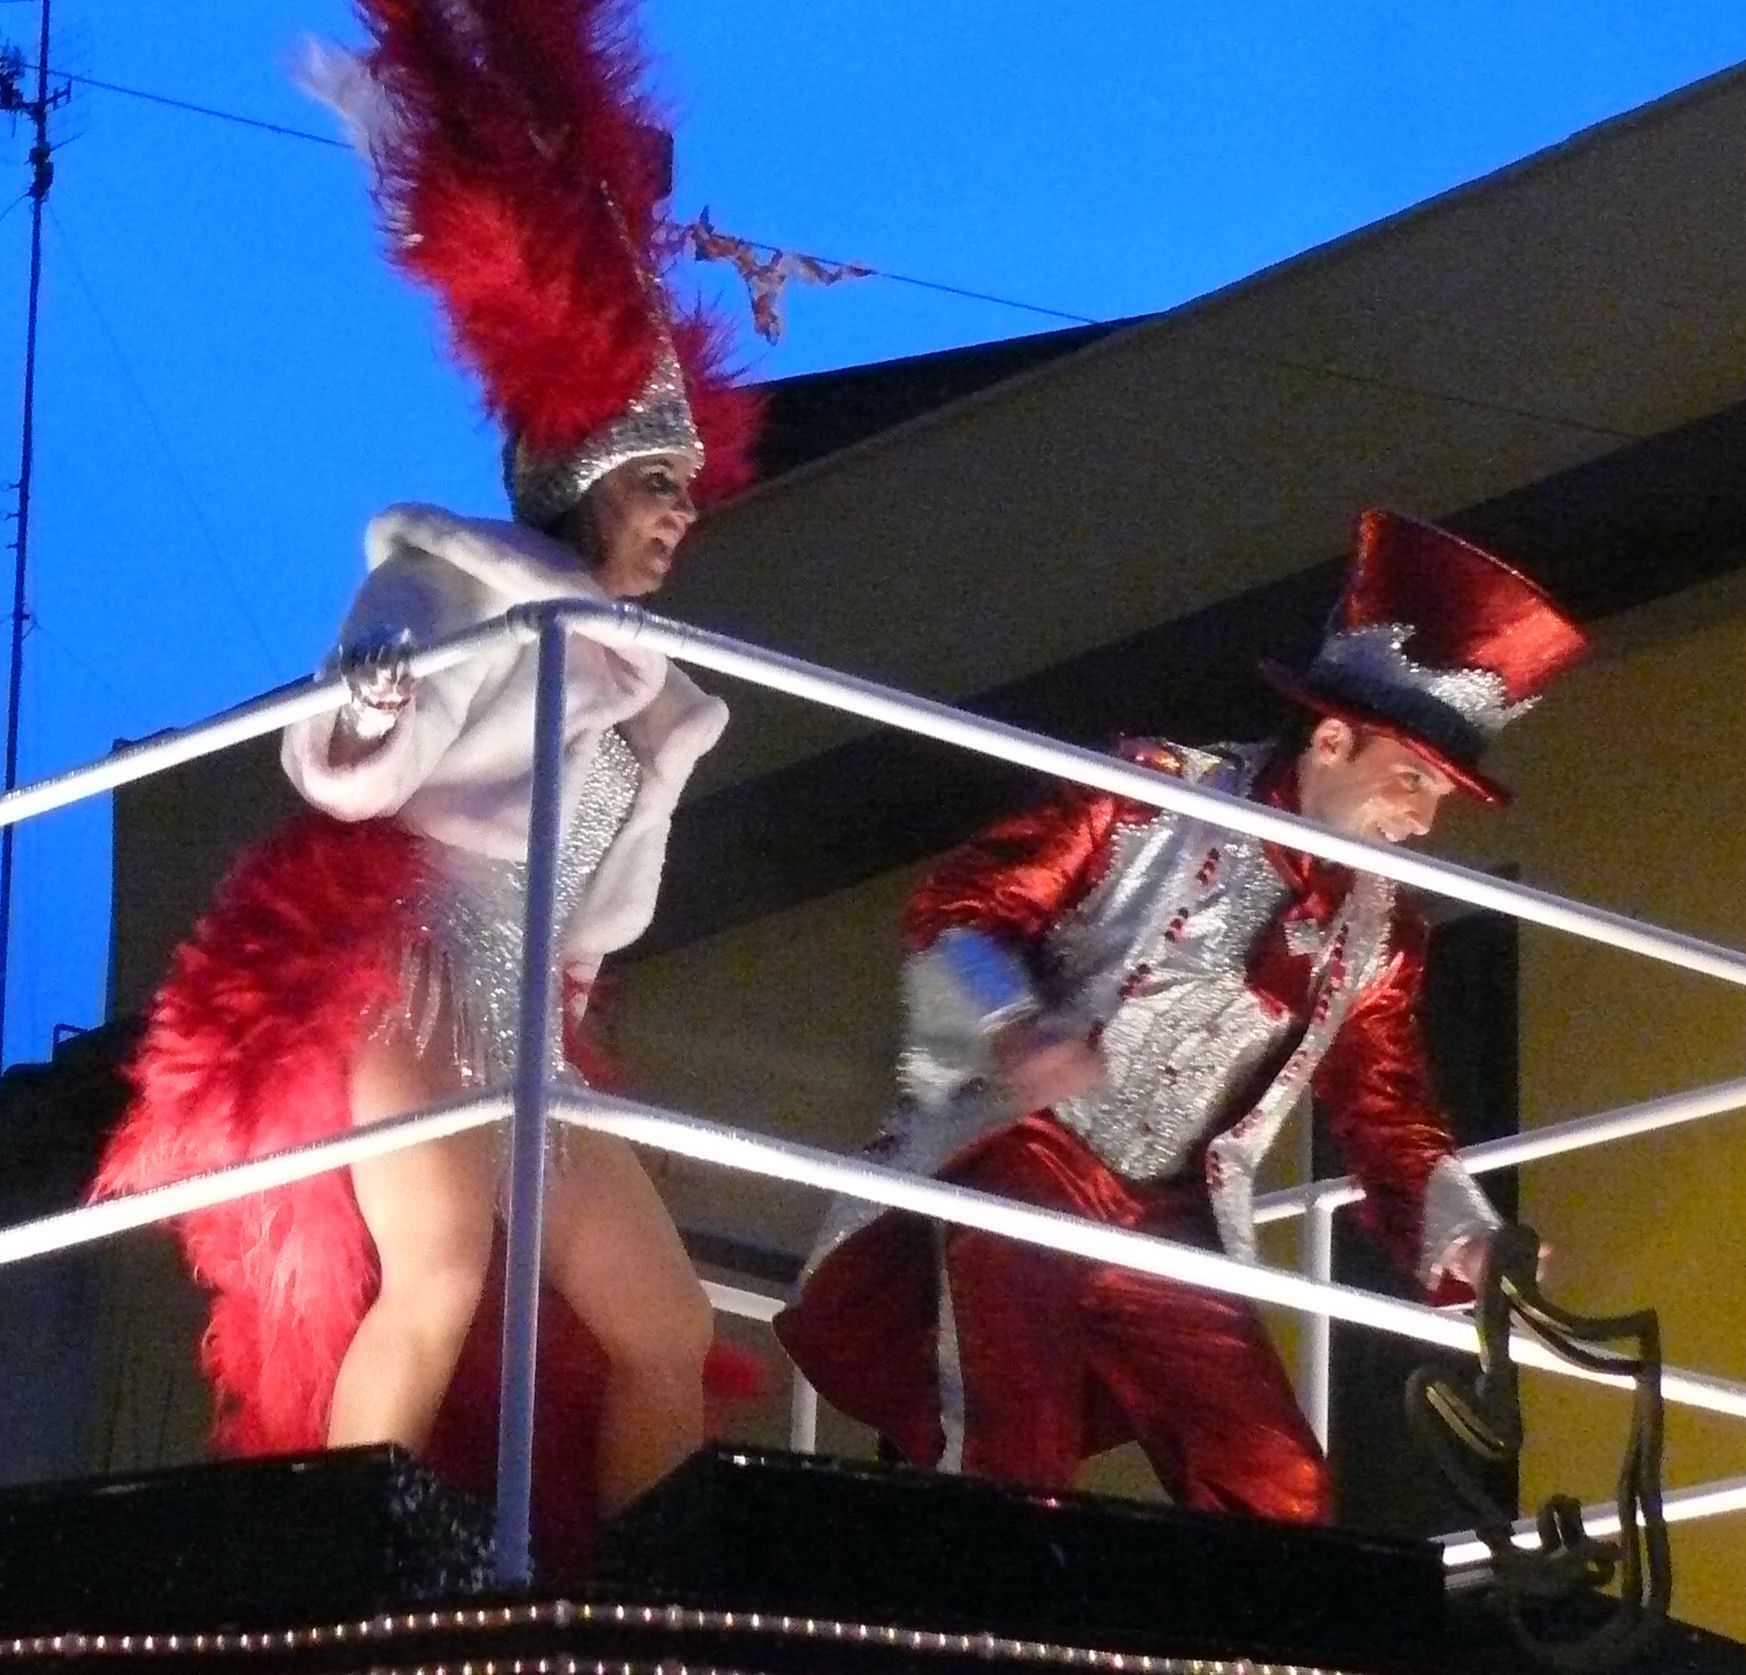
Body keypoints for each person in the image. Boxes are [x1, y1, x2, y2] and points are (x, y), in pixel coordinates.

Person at [94, 0, 759, 1569]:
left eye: (685, 491)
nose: (678, 514)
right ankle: (350, 1577)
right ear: (582, 480)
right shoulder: (456, 580)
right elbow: (346, 758)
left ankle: (627, 1594)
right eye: (653, 485)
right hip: (404, 974)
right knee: (440, 1265)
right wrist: (377, 696)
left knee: (664, 1321)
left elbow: (598, 912)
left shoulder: (654, 696)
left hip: (526, 1014)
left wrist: (572, 963)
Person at [774, 509, 1585, 1523]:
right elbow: (958, 907)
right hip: (1027, 1148)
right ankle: (993, 1604)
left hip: (1169, 1210)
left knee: (1281, 1485)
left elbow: (1386, 1109)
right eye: (1411, 778)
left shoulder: (1380, 933)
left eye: (1440, 795)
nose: (1421, 821)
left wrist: (1469, 1241)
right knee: (1012, 1428)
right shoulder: (1147, 796)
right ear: (1332, 740)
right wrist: (1013, 1028)